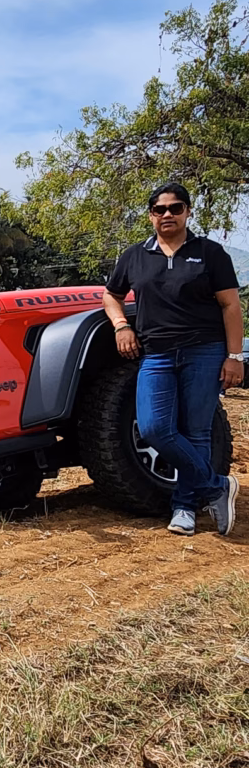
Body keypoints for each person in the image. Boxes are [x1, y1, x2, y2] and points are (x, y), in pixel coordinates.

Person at [102, 183, 244, 536]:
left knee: (196, 431)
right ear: (150, 215)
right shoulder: (135, 256)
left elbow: (231, 306)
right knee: (154, 428)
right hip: (157, 355)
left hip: (205, 351)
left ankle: (184, 508)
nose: (167, 214)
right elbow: (111, 295)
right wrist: (121, 326)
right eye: (160, 209)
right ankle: (217, 487)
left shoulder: (211, 253)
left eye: (175, 208)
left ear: (188, 212)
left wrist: (234, 356)